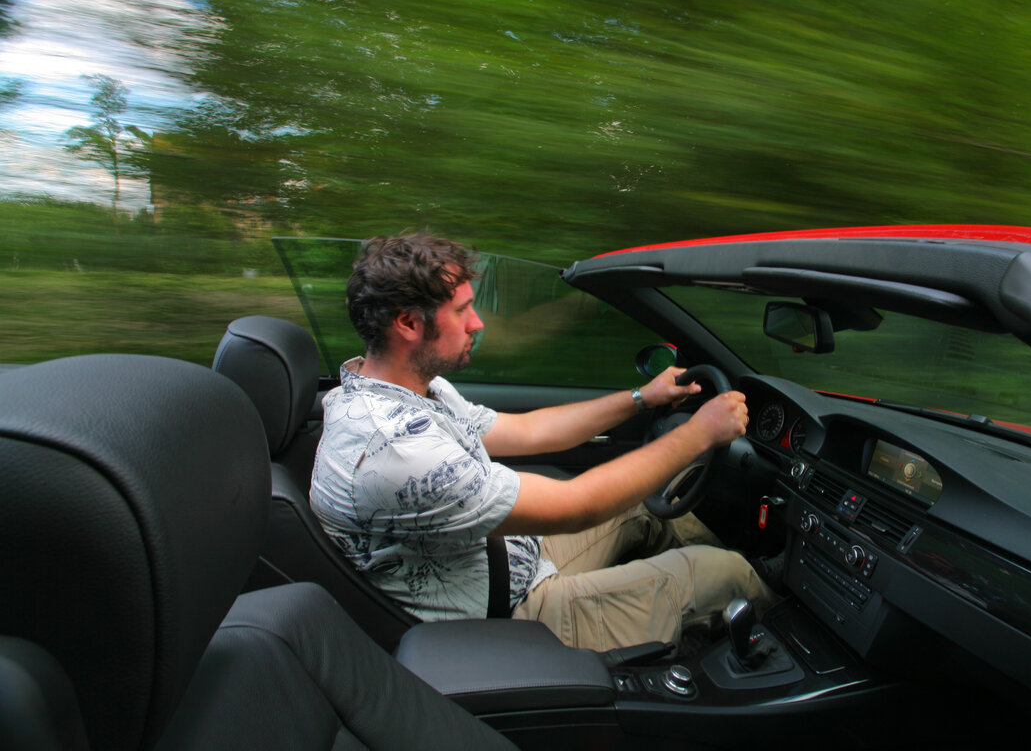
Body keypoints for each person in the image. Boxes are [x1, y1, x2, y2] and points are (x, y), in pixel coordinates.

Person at [310, 232, 773, 651]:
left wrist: (641, 397)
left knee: (643, 506)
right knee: (728, 574)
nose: (478, 324)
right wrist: (699, 432)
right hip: (512, 613)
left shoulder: (407, 390)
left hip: (504, 560)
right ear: (408, 323)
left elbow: (530, 431)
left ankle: (690, 613)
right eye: (461, 310)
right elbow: (578, 506)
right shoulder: (396, 449)